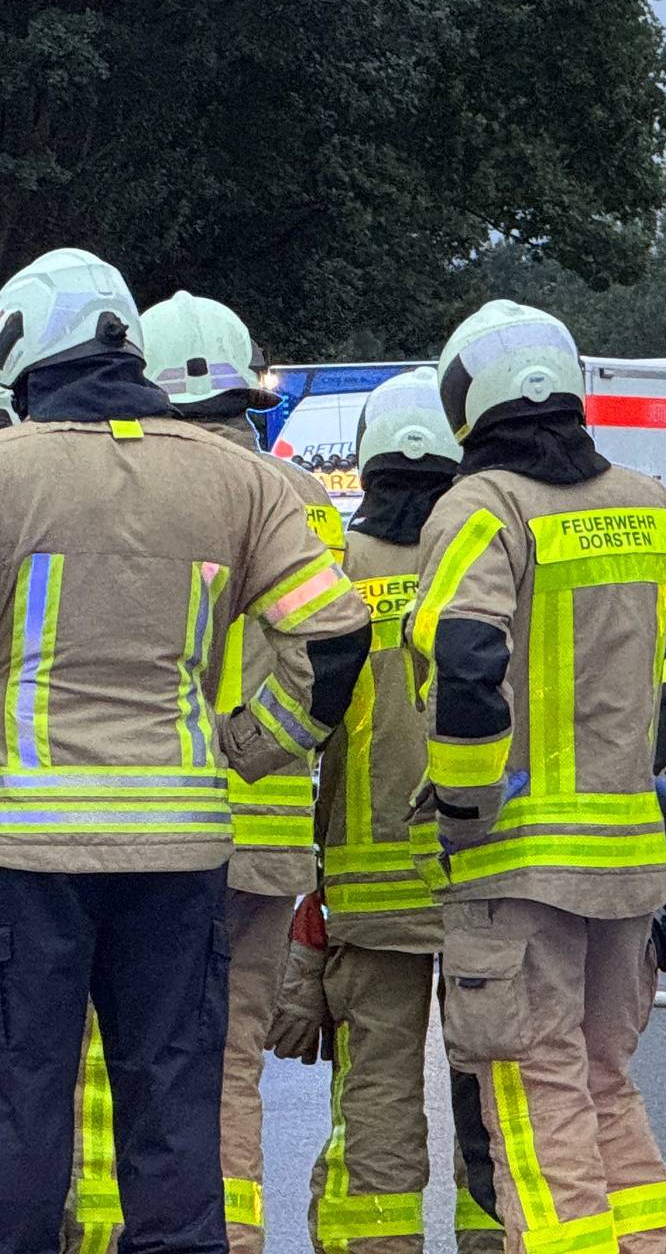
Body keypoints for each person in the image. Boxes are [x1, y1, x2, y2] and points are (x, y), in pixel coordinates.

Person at [0, 247, 368, 1252]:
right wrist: (253, 744)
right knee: (174, 1094)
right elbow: (334, 635)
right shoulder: (236, 480)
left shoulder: (8, 470)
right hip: (181, 845)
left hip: (29, 848)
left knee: (26, 1092)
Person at [410, 299, 666, 1254]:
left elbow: (467, 657)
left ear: (469, 401)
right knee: (604, 1076)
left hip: (515, 870)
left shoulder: (483, 509)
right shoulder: (654, 504)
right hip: (628, 865)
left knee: (532, 1086)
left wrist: (465, 803)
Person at [260, 367, 513, 1252]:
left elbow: (301, 738)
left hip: (366, 903)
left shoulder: (335, 577)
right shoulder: (490, 565)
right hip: (483, 881)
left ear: (367, 466)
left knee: (374, 1099)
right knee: (491, 1100)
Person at [139, 290, 349, 1253]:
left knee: (121, 1063)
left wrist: (208, 747)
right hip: (263, 841)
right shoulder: (296, 497)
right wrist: (259, 744)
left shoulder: (130, 482)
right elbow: (327, 654)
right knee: (226, 1070)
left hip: (142, 825)